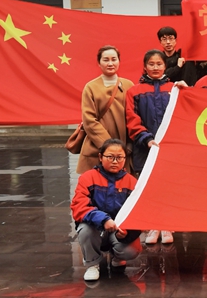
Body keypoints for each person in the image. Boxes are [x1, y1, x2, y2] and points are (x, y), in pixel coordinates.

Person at [126, 49, 187, 245]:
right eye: (151, 64)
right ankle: (153, 225)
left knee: (169, 186)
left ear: (165, 66)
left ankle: (167, 224)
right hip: (145, 148)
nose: (155, 67)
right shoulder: (134, 91)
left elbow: (185, 114)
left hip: (170, 148)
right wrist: (146, 139)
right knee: (149, 187)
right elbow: (132, 120)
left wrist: (187, 91)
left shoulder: (174, 88)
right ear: (145, 67)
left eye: (159, 64)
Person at [71, 138, 142, 282]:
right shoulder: (88, 178)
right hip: (95, 228)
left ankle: (117, 256)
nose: (115, 161)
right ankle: (92, 264)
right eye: (110, 157)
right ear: (100, 157)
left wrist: (127, 233)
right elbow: (79, 206)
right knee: (85, 230)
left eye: (119, 157)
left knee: (132, 250)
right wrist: (103, 220)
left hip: (118, 231)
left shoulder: (132, 182)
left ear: (125, 158)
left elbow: (138, 213)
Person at [78, 46, 134, 175]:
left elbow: (134, 116)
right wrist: (109, 147)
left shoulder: (129, 85)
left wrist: (129, 145)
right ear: (99, 63)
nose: (110, 63)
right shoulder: (91, 87)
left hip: (123, 148)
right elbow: (89, 121)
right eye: (106, 60)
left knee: (123, 185)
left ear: (119, 61)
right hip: (97, 147)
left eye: (114, 59)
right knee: (97, 184)